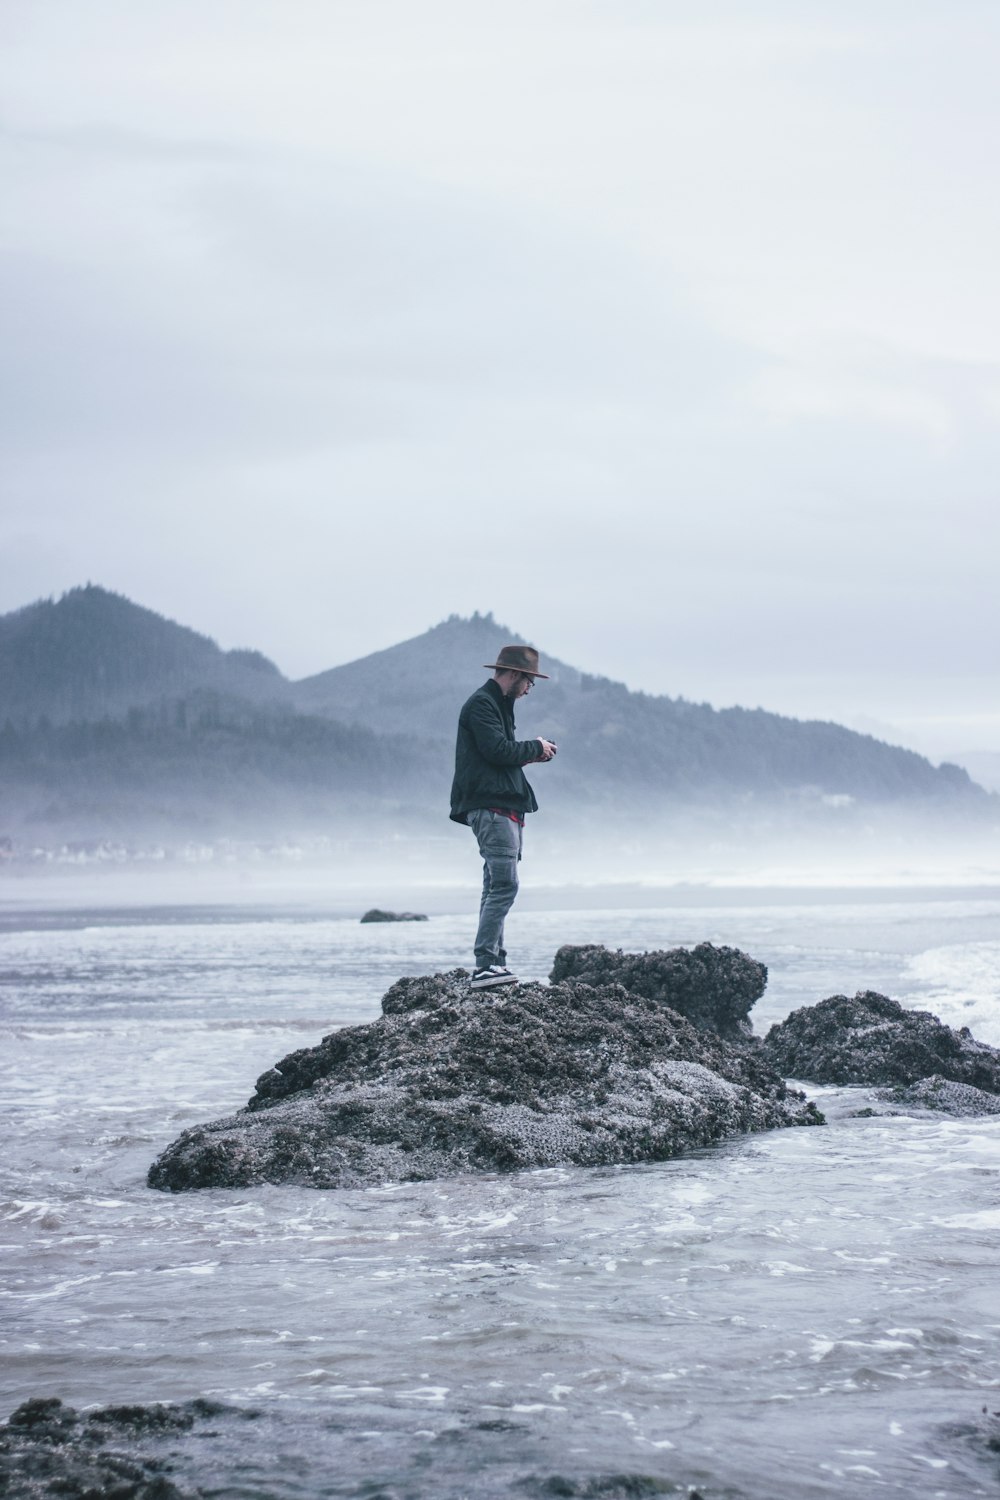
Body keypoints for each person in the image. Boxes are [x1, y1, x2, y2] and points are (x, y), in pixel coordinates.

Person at [450, 645, 558, 989]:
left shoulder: (498, 706)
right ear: (513, 675)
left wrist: (531, 756)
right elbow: (497, 751)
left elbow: (495, 758)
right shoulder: (482, 705)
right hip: (492, 809)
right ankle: (485, 965)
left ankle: (494, 961)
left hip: (502, 807)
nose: (529, 689)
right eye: (529, 681)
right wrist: (535, 747)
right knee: (504, 885)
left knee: (494, 885)